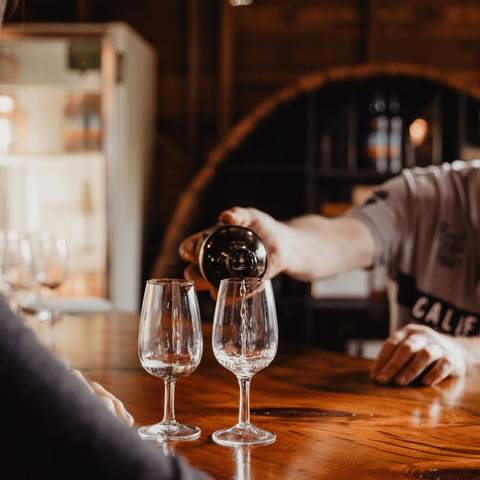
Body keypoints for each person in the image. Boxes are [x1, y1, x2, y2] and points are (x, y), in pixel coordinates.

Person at [180, 160, 480, 388]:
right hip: (419, 427)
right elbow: (342, 238)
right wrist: (284, 244)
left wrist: (463, 351)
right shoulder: (424, 195)